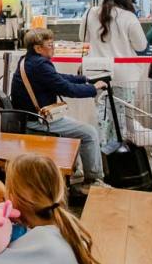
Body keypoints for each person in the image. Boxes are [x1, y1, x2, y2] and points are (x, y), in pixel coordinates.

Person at [11, 29, 109, 190]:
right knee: (89, 133)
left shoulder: (28, 60)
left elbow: (58, 77)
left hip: (30, 117)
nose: (53, 48)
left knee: (79, 129)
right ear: (38, 48)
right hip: (39, 121)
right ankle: (93, 181)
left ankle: (76, 172)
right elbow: (67, 89)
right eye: (50, 45)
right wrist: (93, 88)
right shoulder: (40, 65)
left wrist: (84, 79)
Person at [80, 0, 147, 145]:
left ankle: (102, 153)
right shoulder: (129, 17)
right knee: (121, 118)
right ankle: (119, 154)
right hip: (125, 75)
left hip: (97, 72)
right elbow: (141, 46)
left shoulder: (90, 13)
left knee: (101, 116)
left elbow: (83, 39)